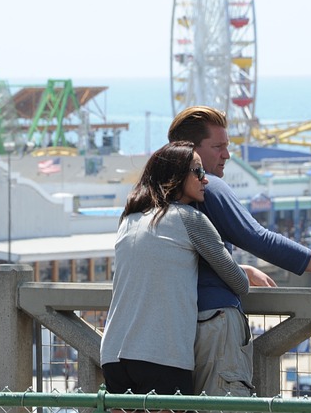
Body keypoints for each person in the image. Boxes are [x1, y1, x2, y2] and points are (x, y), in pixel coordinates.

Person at [167, 105, 311, 398]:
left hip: (172, 329)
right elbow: (259, 238)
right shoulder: (210, 185)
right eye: (218, 147)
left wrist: (241, 269)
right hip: (214, 324)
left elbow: (187, 258)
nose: (226, 155)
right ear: (190, 150)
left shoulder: (158, 194)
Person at [100, 141, 250, 396]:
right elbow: (240, 283)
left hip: (113, 354)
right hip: (161, 353)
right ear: (177, 176)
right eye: (199, 172)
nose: (206, 180)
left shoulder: (129, 219)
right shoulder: (190, 219)